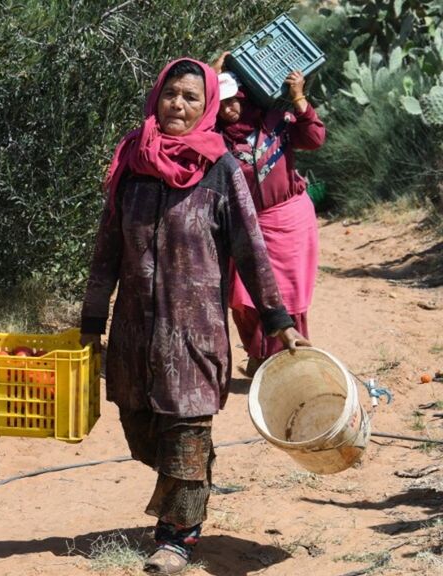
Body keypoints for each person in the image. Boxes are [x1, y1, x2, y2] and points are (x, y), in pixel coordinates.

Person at [78, 58, 310, 575]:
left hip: (194, 329)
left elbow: (251, 249)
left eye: (191, 98)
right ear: (156, 98)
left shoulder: (221, 169)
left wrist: (278, 319)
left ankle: (178, 537)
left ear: (207, 108)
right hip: (135, 330)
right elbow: (107, 249)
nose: (178, 105)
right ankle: (192, 484)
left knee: (186, 429)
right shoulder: (131, 164)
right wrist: (91, 325)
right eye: (170, 95)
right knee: (140, 427)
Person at [212, 53, 326, 377]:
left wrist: (299, 98)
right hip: (246, 225)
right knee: (242, 296)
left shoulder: (276, 121)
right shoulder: (215, 140)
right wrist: (213, 72)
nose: (228, 108)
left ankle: (283, 363)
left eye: (233, 99)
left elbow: (315, 138)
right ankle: (260, 352)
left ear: (244, 95)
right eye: (220, 103)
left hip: (289, 219)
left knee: (287, 295)